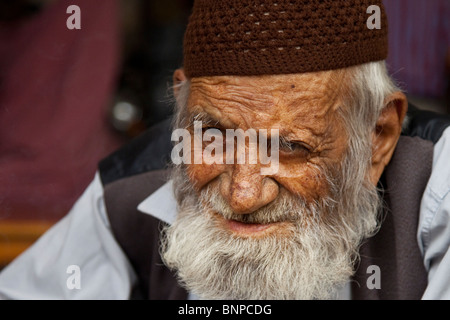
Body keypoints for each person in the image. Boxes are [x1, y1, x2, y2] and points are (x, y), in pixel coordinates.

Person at [1, 0, 450, 300]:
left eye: (291, 147)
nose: (242, 195)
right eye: (215, 137)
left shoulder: (437, 185)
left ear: (378, 135)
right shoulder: (129, 190)